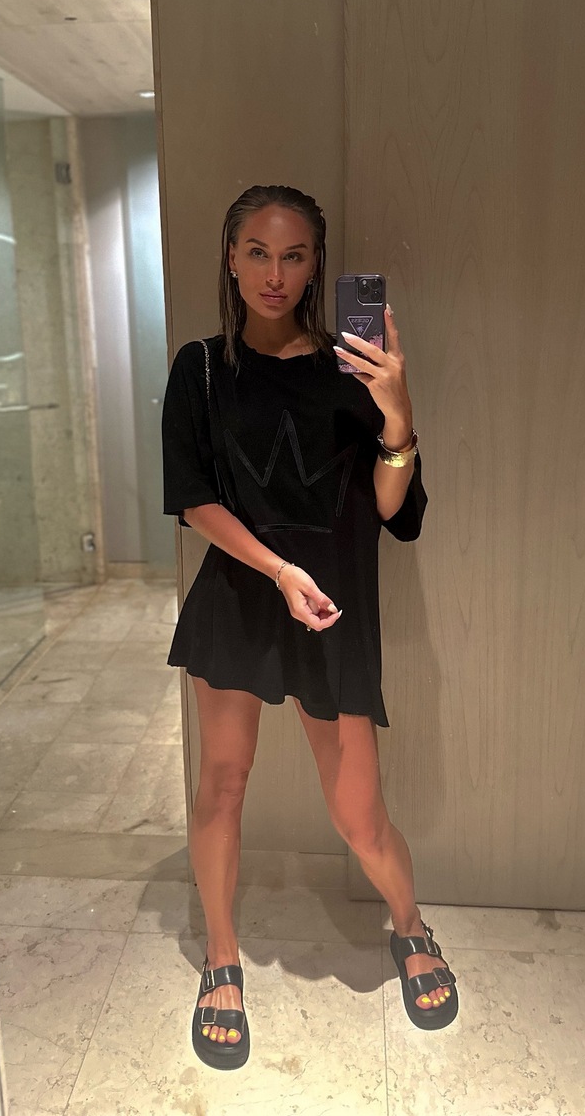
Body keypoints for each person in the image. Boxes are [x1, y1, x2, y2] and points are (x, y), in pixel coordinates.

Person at [161, 184, 458, 1071]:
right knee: (222, 784)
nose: (274, 273)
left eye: (293, 256)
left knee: (360, 814)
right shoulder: (200, 368)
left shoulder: (351, 366)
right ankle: (221, 958)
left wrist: (398, 413)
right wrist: (280, 571)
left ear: (316, 265)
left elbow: (393, 509)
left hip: (331, 610)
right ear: (230, 258)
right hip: (243, 597)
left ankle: (411, 924)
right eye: (257, 251)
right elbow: (194, 499)